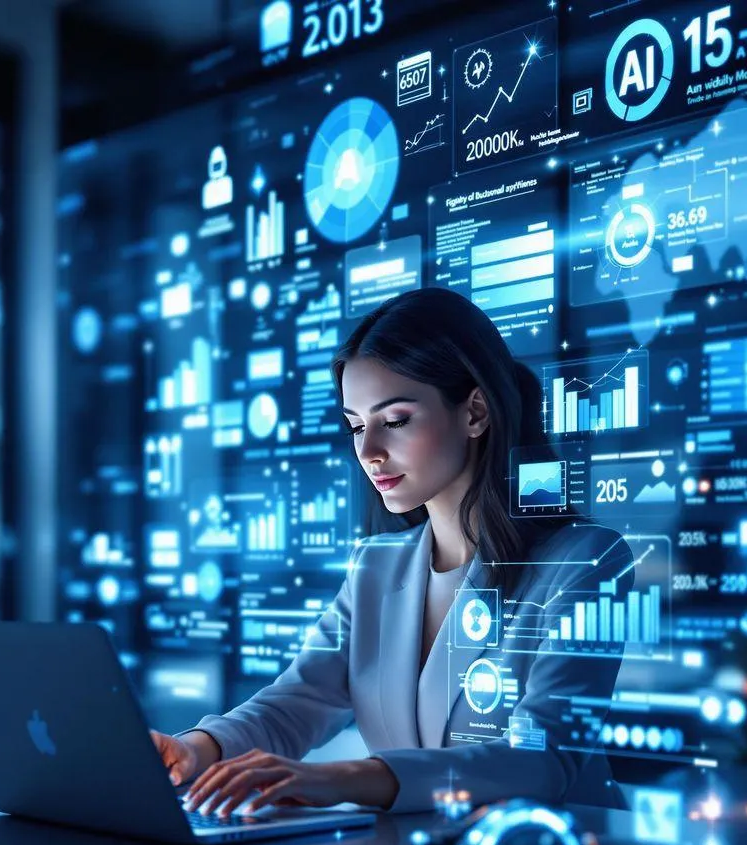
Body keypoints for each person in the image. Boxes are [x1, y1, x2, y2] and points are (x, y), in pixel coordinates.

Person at [151, 287, 633, 816]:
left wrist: (345, 780)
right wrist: (196, 751)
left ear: (475, 412)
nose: (368, 451)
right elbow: (296, 702)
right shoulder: (375, 567)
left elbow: (546, 759)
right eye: (356, 426)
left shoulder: (586, 561)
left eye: (395, 420)